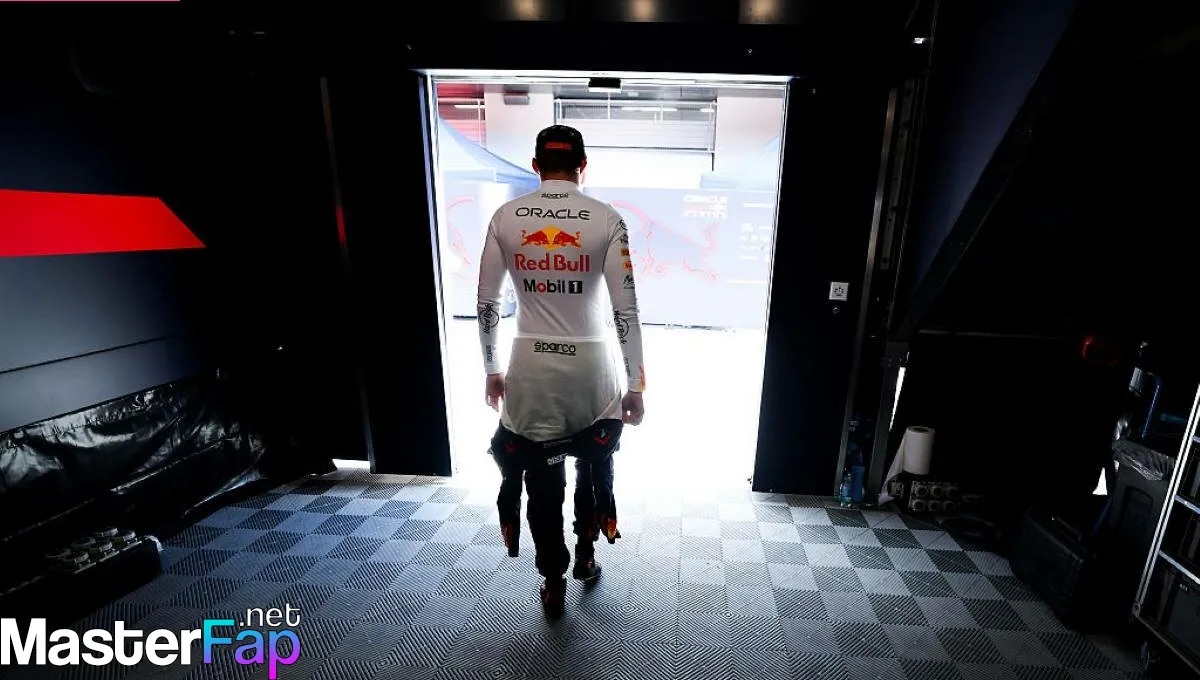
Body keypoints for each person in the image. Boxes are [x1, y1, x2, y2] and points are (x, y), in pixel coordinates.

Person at [477, 124, 646, 618]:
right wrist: (635, 384)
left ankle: (552, 580)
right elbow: (626, 310)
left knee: (541, 476)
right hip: (591, 371)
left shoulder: (506, 217)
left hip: (529, 367)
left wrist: (491, 369)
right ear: (582, 165)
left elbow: (487, 302)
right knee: (593, 465)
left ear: (536, 166)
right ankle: (587, 556)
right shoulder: (606, 218)